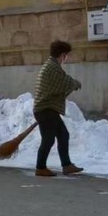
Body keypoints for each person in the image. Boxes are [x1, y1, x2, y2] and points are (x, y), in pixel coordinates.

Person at [32, 40, 83, 177]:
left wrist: (72, 84)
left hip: (46, 109)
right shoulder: (53, 68)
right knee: (48, 139)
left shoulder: (51, 66)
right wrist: (75, 83)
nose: (66, 58)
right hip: (46, 109)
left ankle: (67, 165)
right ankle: (40, 167)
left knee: (62, 135)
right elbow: (64, 82)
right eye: (66, 55)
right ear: (62, 54)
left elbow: (61, 83)